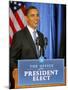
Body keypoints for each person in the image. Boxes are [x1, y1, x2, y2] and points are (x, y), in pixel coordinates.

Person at [10, 6, 45, 88]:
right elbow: (11, 59)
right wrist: (20, 73)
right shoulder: (19, 35)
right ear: (26, 18)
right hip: (24, 81)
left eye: (37, 15)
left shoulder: (41, 36)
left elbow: (40, 57)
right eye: (32, 15)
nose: (36, 18)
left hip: (39, 80)